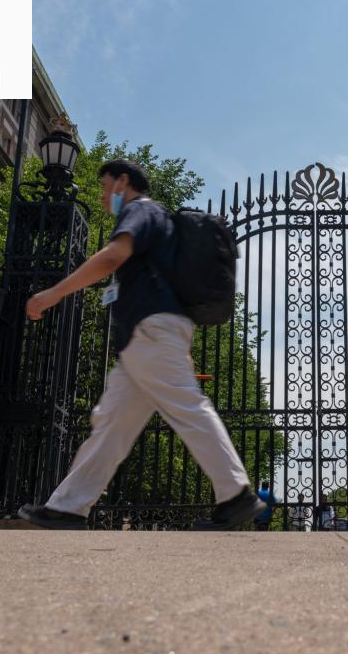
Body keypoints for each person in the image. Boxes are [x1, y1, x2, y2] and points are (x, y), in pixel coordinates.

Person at [17, 159, 265, 530]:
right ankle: (68, 507)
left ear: (123, 181)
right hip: (146, 338)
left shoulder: (141, 211)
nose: (103, 197)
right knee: (112, 425)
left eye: (105, 187)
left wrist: (52, 294)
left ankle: (236, 494)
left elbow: (113, 256)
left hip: (151, 332)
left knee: (188, 408)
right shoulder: (159, 221)